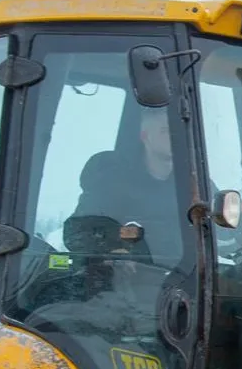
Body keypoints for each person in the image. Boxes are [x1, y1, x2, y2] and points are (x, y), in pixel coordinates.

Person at [67, 103, 188, 264]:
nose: (174, 136)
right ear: (145, 136)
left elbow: (224, 233)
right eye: (165, 131)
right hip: (121, 280)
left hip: (185, 279)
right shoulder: (112, 180)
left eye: (177, 130)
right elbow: (77, 233)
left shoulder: (195, 185)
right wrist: (113, 250)